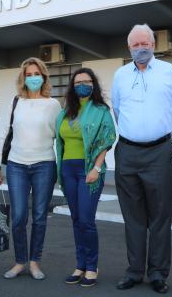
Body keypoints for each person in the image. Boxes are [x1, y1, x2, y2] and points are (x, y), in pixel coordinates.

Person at [111, 24, 172, 294]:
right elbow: (117, 110)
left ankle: (157, 273)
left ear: (154, 45)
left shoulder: (169, 72)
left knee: (161, 216)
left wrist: (159, 136)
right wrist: (136, 136)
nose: (141, 48)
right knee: (133, 217)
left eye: (146, 43)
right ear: (128, 47)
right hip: (128, 152)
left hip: (159, 151)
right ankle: (134, 271)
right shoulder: (119, 75)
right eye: (135, 44)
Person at [0, 57, 61, 280]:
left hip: (44, 164)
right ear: (23, 78)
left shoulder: (53, 104)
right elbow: (6, 133)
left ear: (44, 77)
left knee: (40, 216)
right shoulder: (17, 102)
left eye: (36, 74)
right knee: (19, 216)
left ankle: (34, 262)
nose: (33, 78)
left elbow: (59, 137)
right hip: (16, 165)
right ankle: (20, 261)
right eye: (29, 75)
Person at [55, 68, 117, 287]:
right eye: (78, 81)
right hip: (67, 170)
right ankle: (80, 265)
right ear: (72, 85)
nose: (83, 85)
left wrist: (97, 169)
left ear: (94, 84)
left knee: (86, 220)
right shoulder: (66, 111)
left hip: (89, 169)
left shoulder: (101, 110)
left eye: (87, 81)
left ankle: (92, 266)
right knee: (75, 219)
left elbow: (107, 139)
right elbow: (59, 140)